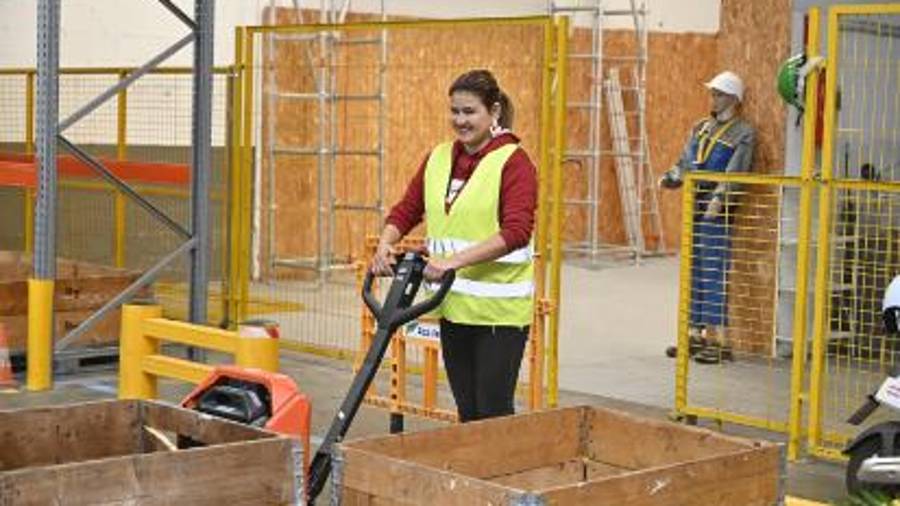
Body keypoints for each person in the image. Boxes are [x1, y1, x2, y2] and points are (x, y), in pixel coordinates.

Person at [370, 69, 538, 422]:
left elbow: (517, 231)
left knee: (492, 411)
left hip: (499, 315)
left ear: (493, 112)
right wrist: (385, 244)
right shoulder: (439, 158)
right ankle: (472, 476)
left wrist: (452, 262)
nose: (460, 121)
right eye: (455, 112)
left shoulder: (514, 163)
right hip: (452, 307)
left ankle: (498, 475)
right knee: (467, 410)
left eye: (469, 112)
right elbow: (406, 210)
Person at [660, 70, 756, 364]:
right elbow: (685, 161)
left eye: (718, 94)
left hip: (716, 212)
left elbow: (736, 171)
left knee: (713, 272)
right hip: (695, 205)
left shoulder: (743, 132)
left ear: (733, 99)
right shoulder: (701, 128)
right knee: (693, 272)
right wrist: (671, 177)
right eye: (712, 94)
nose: (712, 99)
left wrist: (719, 198)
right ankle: (693, 334)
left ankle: (719, 340)